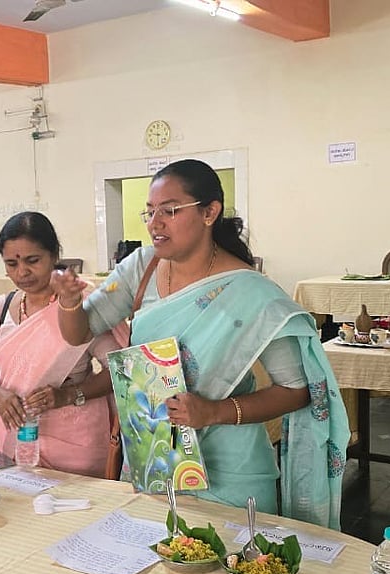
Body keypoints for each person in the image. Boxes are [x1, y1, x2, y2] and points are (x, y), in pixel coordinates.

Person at [51, 159, 349, 528]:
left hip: (232, 477)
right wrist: (68, 302)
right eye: (149, 212)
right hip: (156, 462)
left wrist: (213, 412)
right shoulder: (141, 267)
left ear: (210, 212)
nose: (154, 223)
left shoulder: (251, 293)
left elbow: (297, 391)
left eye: (170, 211)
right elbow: (79, 332)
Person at [0, 212, 118, 478]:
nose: (22, 272)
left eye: (32, 261)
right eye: (11, 264)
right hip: (15, 439)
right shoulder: (2, 309)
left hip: (75, 445)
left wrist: (67, 395)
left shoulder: (79, 305)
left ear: (54, 254)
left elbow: (119, 370)